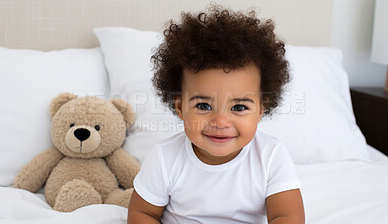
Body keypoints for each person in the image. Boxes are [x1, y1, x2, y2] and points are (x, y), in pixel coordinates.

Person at [128, 4, 305, 224]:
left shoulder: (271, 156)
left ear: (261, 109)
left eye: (239, 107)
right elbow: (141, 214)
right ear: (180, 107)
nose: (220, 122)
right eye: (204, 106)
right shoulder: (165, 158)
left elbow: (287, 216)